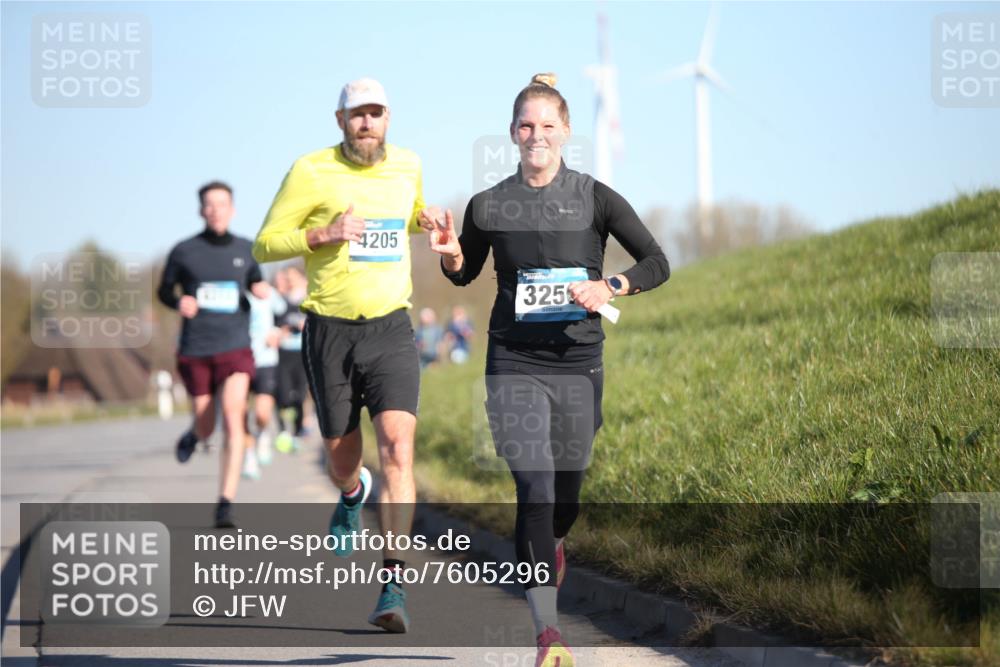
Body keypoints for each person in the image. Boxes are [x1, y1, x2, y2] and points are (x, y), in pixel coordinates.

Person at [428, 74, 670, 667]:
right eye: (525, 126)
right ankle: (548, 635)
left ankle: (554, 544)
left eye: (547, 125)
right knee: (533, 488)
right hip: (512, 360)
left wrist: (611, 284)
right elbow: (464, 273)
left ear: (565, 131)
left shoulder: (595, 197)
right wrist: (453, 252)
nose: (536, 134)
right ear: (513, 133)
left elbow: (657, 261)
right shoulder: (487, 205)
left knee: (566, 493)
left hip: (579, 360)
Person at [252, 77, 442, 633]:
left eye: (376, 113)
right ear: (340, 121)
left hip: (390, 329)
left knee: (398, 448)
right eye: (357, 114)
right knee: (342, 458)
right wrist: (322, 234)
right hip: (329, 332)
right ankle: (352, 493)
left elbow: (408, 214)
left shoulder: (408, 164)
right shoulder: (310, 171)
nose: (367, 123)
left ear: (389, 119)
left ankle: (393, 585)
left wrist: (426, 221)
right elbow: (265, 243)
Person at [157, 181, 269, 529]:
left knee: (234, 416)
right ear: (201, 210)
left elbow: (254, 282)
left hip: (235, 345)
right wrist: (179, 301)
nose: (216, 210)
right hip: (196, 347)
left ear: (232, 209)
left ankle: (225, 502)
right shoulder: (184, 251)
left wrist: (260, 290)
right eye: (210, 204)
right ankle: (195, 434)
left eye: (222, 204)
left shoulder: (247, 249)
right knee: (207, 426)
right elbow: (163, 290)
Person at [245, 277, 287, 476]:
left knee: (262, 413)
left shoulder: (269, 293)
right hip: (240, 360)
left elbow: (285, 315)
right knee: (240, 415)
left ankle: (262, 435)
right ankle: (249, 457)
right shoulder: (239, 293)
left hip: (266, 360)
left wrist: (277, 332)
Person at [274, 266, 309, 453]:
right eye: (288, 277)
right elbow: (275, 324)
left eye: (293, 277)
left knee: (300, 395)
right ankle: (282, 431)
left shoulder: (309, 301)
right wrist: (283, 330)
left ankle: (296, 432)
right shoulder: (280, 302)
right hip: (284, 353)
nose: (290, 280)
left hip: (303, 353)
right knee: (283, 394)